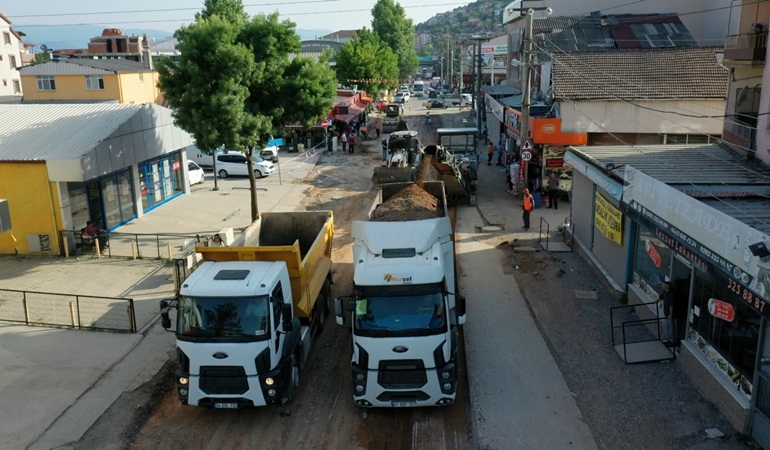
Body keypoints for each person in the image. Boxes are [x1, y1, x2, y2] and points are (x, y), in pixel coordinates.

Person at [659, 281, 676, 347]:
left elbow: (671, 305)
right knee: (665, 326)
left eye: (663, 285)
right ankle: (666, 340)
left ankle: (671, 341)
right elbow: (660, 297)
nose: (662, 286)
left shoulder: (671, 294)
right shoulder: (665, 292)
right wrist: (656, 301)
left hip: (669, 314)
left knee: (670, 328)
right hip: (666, 313)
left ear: (666, 286)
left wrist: (670, 314)